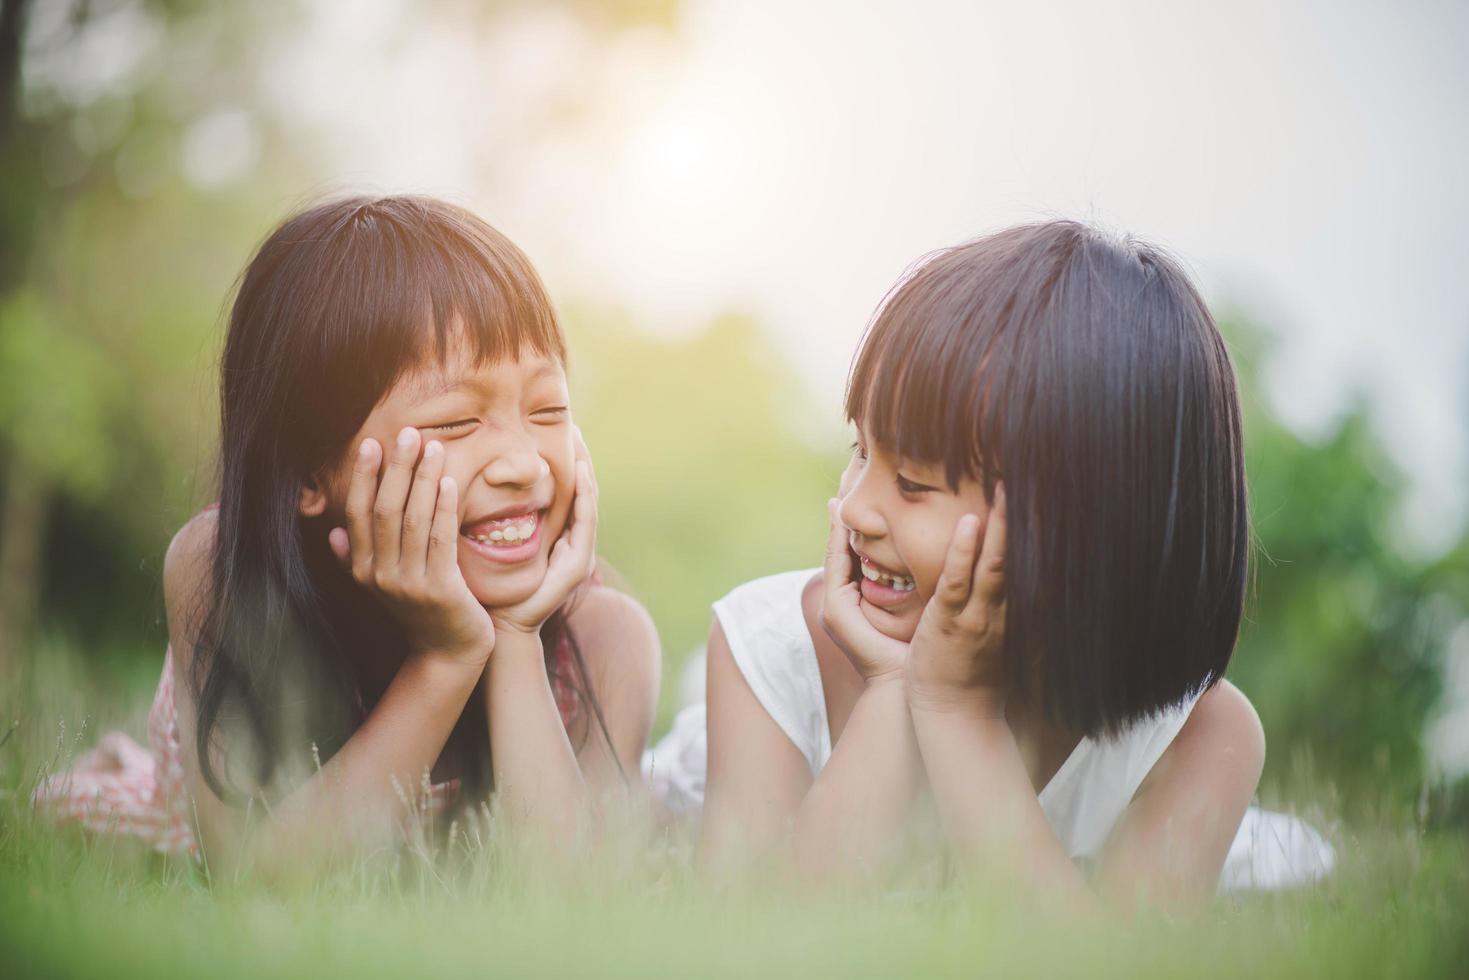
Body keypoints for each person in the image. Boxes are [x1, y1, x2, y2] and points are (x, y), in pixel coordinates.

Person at [646, 220, 1333, 903]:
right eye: (859, 451)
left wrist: (956, 710)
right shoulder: (767, 650)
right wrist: (893, 687)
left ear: (1080, 525)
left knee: (1287, 863)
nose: (853, 508)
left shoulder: (1203, 737)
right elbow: (766, 942)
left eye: (912, 483)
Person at [36, 196, 661, 876]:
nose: (522, 463)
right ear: (310, 469)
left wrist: (513, 639)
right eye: (455, 423)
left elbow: (574, 915)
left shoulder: (605, 640)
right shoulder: (220, 568)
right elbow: (259, 883)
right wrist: (446, 658)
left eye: (547, 410)